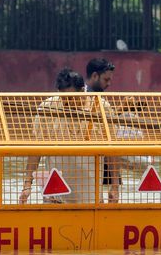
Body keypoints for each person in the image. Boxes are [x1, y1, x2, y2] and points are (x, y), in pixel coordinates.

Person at [20, 69, 95, 204]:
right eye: (63, 98)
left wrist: (114, 187)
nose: (66, 103)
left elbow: (112, 152)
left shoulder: (99, 107)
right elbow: (36, 149)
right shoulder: (48, 107)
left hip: (88, 196)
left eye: (71, 98)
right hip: (54, 193)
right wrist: (27, 185)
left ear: (82, 90)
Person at [86, 58, 122, 203]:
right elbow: (111, 147)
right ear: (95, 76)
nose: (109, 84)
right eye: (106, 79)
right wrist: (115, 186)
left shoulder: (102, 104)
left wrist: (114, 185)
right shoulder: (101, 104)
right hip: (86, 179)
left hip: (90, 178)